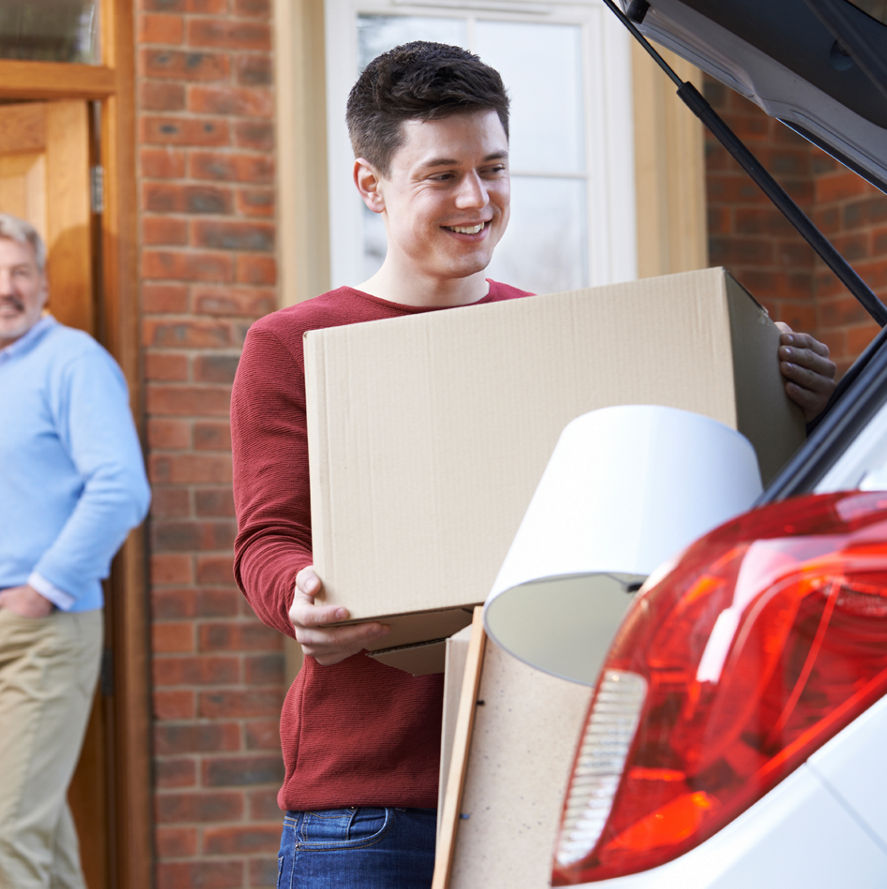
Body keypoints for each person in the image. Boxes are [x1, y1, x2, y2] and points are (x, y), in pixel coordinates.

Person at [230, 41, 838, 887]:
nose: (476, 199)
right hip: (371, 803)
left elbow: (671, 506)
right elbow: (267, 536)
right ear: (371, 184)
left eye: (495, 167)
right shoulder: (291, 344)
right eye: (442, 175)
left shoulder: (554, 340)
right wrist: (298, 591)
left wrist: (809, 411)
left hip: (536, 778)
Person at [0, 213, 150, 889]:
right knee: (38, 838)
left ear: (44, 283)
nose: (5, 288)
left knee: (6, 837)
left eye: (20, 272)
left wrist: (40, 590)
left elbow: (120, 489)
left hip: (45, 628)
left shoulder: (74, 362)